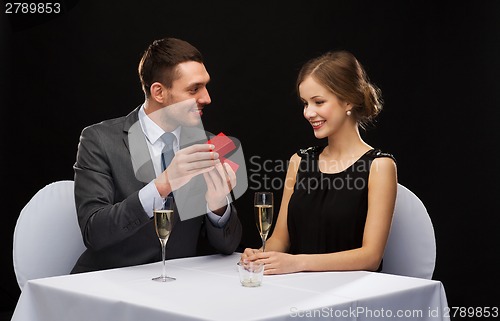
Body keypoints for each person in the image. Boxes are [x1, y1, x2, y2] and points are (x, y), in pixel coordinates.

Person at [71, 37, 242, 273]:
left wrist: (218, 206)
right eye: (194, 89)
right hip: (109, 284)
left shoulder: (207, 142)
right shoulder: (99, 140)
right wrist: (162, 185)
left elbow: (228, 245)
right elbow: (95, 232)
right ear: (159, 92)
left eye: (206, 86)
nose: (206, 98)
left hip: (178, 287)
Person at [241, 50, 397, 274]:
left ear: (349, 101)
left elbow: (370, 257)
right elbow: (279, 240)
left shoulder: (380, 166)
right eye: (305, 103)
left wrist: (298, 263)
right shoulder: (299, 161)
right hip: (298, 289)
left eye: (318, 102)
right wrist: (260, 254)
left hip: (351, 296)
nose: (308, 113)